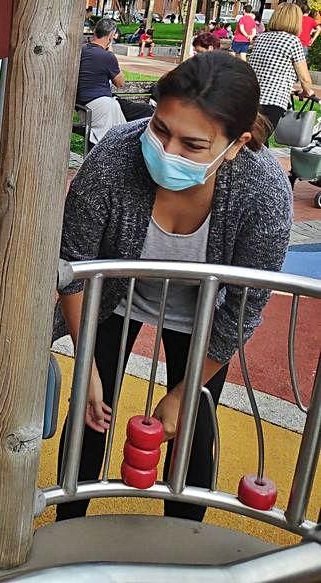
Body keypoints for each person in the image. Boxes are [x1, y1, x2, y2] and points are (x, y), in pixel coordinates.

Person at [54, 51, 292, 523]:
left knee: (192, 424)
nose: (168, 152)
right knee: (87, 408)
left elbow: (242, 309)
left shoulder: (262, 193)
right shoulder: (115, 158)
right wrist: (87, 366)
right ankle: (66, 521)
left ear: (237, 143)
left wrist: (182, 394)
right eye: (160, 129)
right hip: (115, 299)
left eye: (193, 145)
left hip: (206, 312)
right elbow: (73, 266)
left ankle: (187, 538)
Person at [76, 18, 155, 146]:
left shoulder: (82, 50)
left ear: (95, 32)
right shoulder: (107, 56)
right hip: (101, 105)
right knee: (148, 112)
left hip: (83, 105)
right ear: (111, 36)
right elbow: (120, 83)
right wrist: (111, 52)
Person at [249, 2, 315, 141]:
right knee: (257, 143)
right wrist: (307, 91)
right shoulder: (292, 41)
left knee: (251, 141)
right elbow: (304, 78)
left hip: (251, 98)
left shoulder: (261, 38)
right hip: (273, 101)